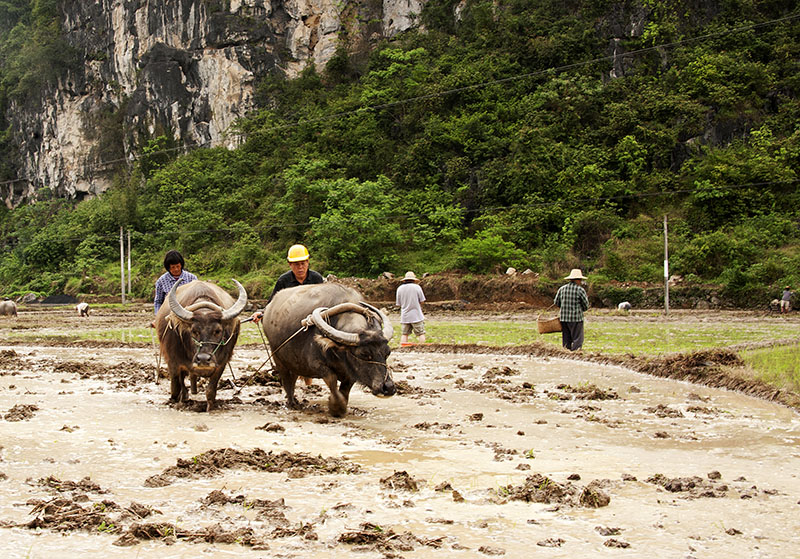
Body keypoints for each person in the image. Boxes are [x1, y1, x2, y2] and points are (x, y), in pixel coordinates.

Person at [252, 244, 323, 386]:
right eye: (296, 264)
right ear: (290, 265)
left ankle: (309, 382)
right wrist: (262, 313)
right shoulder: (284, 281)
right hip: (290, 325)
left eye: (303, 263)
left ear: (308, 262)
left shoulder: (317, 279)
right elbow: (273, 304)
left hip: (312, 323)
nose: (300, 268)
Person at [554, 268, 589, 351]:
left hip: (564, 318)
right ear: (577, 280)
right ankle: (576, 352)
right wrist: (581, 309)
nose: (580, 282)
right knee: (577, 338)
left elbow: (556, 302)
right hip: (576, 318)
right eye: (580, 280)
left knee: (566, 338)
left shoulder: (562, 289)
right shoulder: (580, 290)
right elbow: (585, 305)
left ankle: (566, 352)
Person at [153, 250, 197, 315]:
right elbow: (158, 301)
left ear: (181, 265)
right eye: (173, 267)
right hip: (169, 314)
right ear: (168, 268)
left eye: (177, 266)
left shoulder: (192, 278)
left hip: (188, 314)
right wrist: (158, 316)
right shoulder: (161, 281)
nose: (176, 269)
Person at [396, 271, 426, 345]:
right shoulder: (417, 287)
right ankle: (421, 347)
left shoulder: (400, 289)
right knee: (421, 333)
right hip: (416, 315)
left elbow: (398, 304)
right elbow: (422, 301)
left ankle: (403, 348)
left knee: (404, 334)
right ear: (414, 279)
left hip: (405, 316)